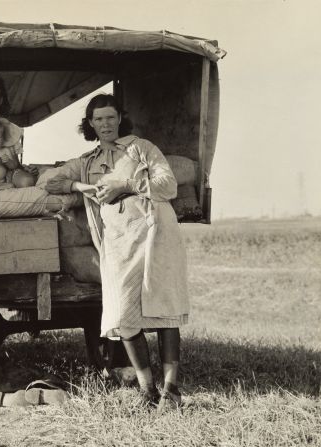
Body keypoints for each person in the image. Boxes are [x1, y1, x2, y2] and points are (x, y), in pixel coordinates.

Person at [44, 94, 189, 413]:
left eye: (110, 118)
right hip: (118, 241)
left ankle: (171, 390)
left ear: (120, 118)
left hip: (155, 233)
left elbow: (168, 186)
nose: (105, 124)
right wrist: (80, 188)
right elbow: (50, 182)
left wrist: (127, 184)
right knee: (123, 315)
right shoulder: (87, 161)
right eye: (98, 119)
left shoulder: (142, 147)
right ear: (90, 124)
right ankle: (146, 388)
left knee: (164, 308)